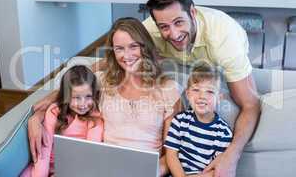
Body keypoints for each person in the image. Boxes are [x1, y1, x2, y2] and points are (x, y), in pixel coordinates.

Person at [28, 17, 182, 176]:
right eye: (119, 49)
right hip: (104, 168)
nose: (126, 56)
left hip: (146, 171)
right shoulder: (103, 81)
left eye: (133, 46)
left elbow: (171, 153)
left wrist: (153, 173)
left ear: (146, 48)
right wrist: (37, 117)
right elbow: (72, 89)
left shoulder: (168, 89)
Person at [142, 0, 261, 177]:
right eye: (164, 27)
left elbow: (251, 104)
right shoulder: (150, 30)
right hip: (180, 64)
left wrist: (232, 155)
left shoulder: (224, 40)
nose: (173, 33)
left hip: (217, 63)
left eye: (179, 22)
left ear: (192, 12)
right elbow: (118, 52)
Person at [21, 65, 103, 177]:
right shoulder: (54, 112)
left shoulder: (95, 119)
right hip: (48, 165)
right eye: (76, 97)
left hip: (75, 169)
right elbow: (44, 150)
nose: (83, 104)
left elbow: (90, 154)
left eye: (88, 96)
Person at [164, 61, 233, 177]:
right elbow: (171, 155)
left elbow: (218, 168)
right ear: (187, 94)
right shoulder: (179, 121)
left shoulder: (223, 133)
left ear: (219, 98)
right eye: (196, 90)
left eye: (210, 91)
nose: (202, 96)